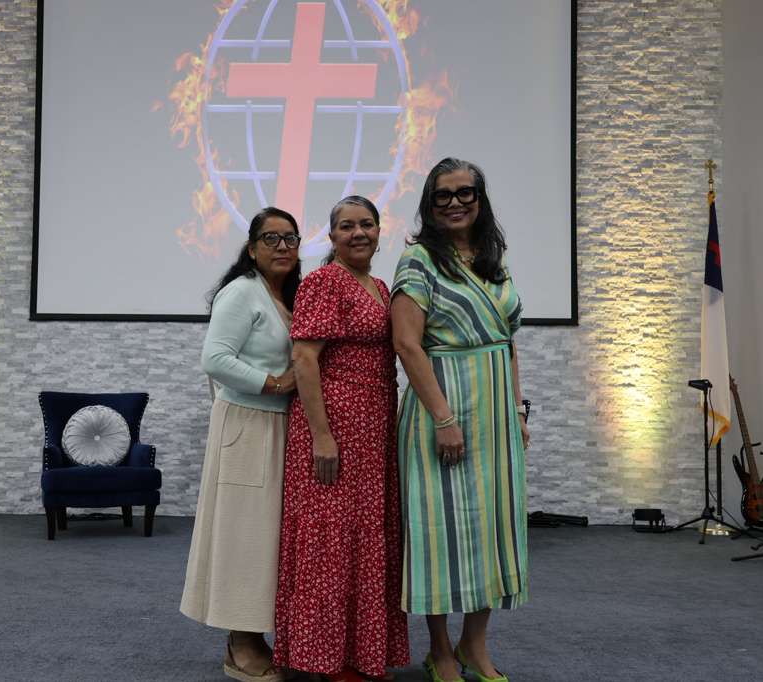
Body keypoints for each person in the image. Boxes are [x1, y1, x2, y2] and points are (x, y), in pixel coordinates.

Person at [391, 158, 530, 682]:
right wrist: (444, 418)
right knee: (439, 531)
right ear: (430, 204)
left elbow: (507, 340)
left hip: (496, 412)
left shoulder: (495, 259)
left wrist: (518, 410)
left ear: (479, 198)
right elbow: (407, 344)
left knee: (493, 526)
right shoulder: (419, 260)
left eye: (465, 192)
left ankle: (475, 643)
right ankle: (441, 650)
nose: (455, 202)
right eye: (443, 195)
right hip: (440, 408)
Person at [272, 196, 409, 682]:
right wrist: (322, 437)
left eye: (366, 224)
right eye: (347, 226)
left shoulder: (379, 286)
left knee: (364, 540)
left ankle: (359, 653)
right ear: (331, 237)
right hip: (334, 430)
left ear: (379, 232)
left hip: (373, 432)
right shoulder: (324, 281)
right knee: (330, 543)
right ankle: (326, 658)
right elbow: (304, 359)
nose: (358, 233)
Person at [180, 207, 302, 682]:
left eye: (290, 238)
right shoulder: (242, 291)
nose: (282, 246)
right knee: (244, 537)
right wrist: (275, 383)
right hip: (247, 425)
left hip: (281, 426)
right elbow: (215, 359)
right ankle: (240, 644)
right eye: (271, 238)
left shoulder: (287, 294)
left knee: (269, 538)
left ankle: (260, 635)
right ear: (251, 249)